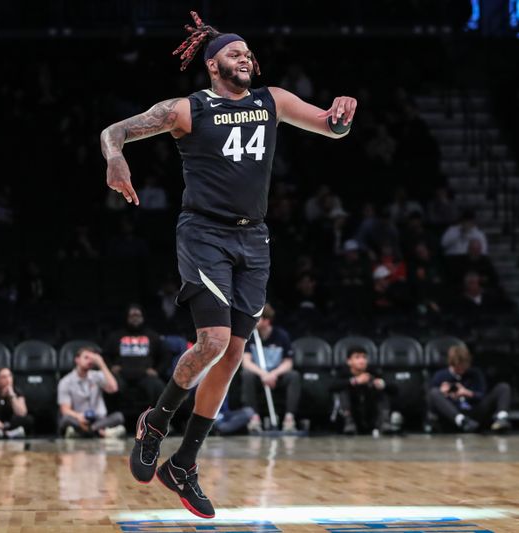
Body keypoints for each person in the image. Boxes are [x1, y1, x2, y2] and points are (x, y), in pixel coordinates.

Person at [100, 11, 356, 519]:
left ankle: (184, 463)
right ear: (213, 65)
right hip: (204, 234)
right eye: (236, 54)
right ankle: (156, 424)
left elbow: (330, 127)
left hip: (254, 239)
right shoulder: (188, 109)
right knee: (212, 342)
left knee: (234, 352)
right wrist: (114, 158)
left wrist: (342, 117)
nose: (247, 59)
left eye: (248, 53)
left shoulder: (272, 100)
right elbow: (115, 131)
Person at [240, 304, 300, 433]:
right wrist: (263, 374)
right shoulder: (250, 336)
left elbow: (288, 363)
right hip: (259, 375)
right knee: (246, 374)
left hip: (276, 376)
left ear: (267, 320)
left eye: (257, 318)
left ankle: (289, 419)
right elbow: (246, 362)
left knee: (294, 376)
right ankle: (254, 418)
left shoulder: (281, 335)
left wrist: (273, 374)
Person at [428, 345, 511, 433]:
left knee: (503, 387)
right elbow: (431, 402)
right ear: (452, 364)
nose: (462, 370)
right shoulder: (440, 376)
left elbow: (482, 395)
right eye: (458, 367)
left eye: (464, 367)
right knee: (434, 392)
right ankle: (462, 421)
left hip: (474, 411)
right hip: (453, 414)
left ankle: (501, 418)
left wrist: (467, 393)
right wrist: (445, 394)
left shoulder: (475, 373)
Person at [104, 304, 168, 406]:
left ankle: (157, 420)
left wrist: (157, 371)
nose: (135, 318)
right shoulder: (115, 336)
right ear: (127, 318)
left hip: (145, 375)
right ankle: (113, 419)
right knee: (110, 386)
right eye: (132, 316)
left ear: (142, 317)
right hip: (121, 374)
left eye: (137, 315)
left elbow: (165, 356)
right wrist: (111, 368)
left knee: (158, 387)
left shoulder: (152, 336)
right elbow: (105, 355)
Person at [58, 346, 125, 439]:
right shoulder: (66, 381)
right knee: (65, 420)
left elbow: (114, 388)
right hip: (80, 419)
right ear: (77, 360)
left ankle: (86, 432)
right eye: (86, 357)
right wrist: (78, 416)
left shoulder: (97, 375)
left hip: (99, 420)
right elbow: (65, 410)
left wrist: (101, 364)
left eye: (92, 359)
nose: (90, 361)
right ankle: (100, 433)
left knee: (119, 416)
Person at [330, 347, 397, 435]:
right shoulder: (343, 374)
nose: (362, 361)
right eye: (357, 357)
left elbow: (395, 389)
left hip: (370, 414)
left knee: (382, 390)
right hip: (351, 415)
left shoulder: (373, 372)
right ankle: (349, 423)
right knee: (343, 390)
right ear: (349, 361)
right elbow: (330, 387)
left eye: (364, 357)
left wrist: (381, 383)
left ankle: (384, 422)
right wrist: (355, 381)